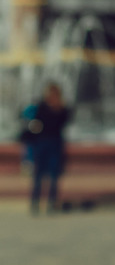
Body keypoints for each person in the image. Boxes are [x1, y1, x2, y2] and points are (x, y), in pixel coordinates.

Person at [23, 82, 70, 213]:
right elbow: (31, 120)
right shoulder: (40, 107)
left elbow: (63, 122)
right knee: (38, 174)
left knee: (54, 175)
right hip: (41, 143)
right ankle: (35, 202)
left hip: (55, 143)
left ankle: (51, 202)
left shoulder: (62, 109)